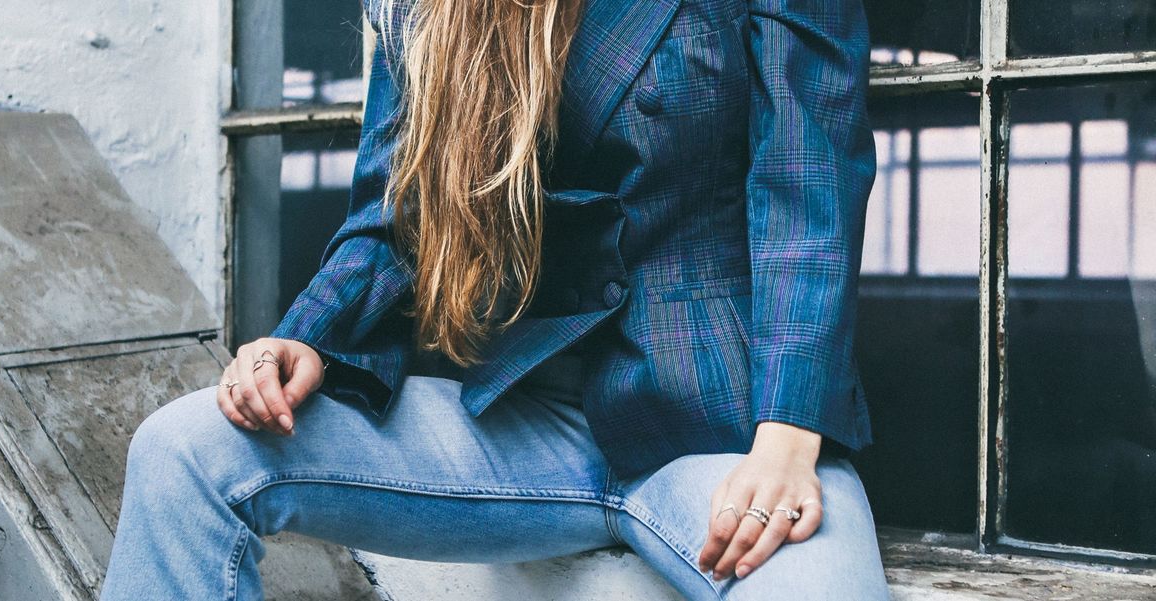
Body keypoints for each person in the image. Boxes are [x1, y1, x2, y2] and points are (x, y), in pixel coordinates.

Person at [100, 0, 890, 599]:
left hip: (729, 427)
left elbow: (807, 189)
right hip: (521, 418)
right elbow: (393, 212)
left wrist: (788, 440)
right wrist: (308, 336)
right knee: (184, 452)